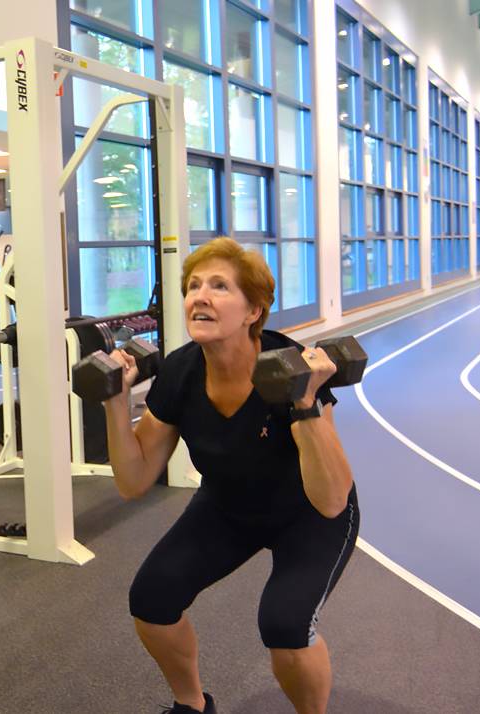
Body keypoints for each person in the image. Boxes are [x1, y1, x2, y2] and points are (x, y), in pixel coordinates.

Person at [102, 238, 358, 714]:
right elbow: (133, 481)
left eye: (220, 287)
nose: (200, 295)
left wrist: (304, 405)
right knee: (152, 601)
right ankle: (192, 705)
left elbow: (331, 500)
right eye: (194, 286)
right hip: (228, 505)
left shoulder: (293, 368)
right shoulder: (180, 371)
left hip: (307, 512)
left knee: (285, 627)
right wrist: (116, 401)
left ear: (252, 310)